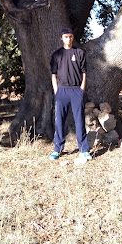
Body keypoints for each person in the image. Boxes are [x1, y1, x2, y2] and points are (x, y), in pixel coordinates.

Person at [49, 27, 92, 162]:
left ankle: (84, 150)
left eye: (70, 36)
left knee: (79, 120)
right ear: (61, 38)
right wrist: (57, 90)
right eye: (66, 36)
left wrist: (81, 89)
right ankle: (58, 149)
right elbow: (53, 74)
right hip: (62, 90)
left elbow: (84, 72)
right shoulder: (56, 54)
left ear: (73, 38)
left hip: (76, 91)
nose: (68, 38)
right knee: (59, 121)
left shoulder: (79, 52)